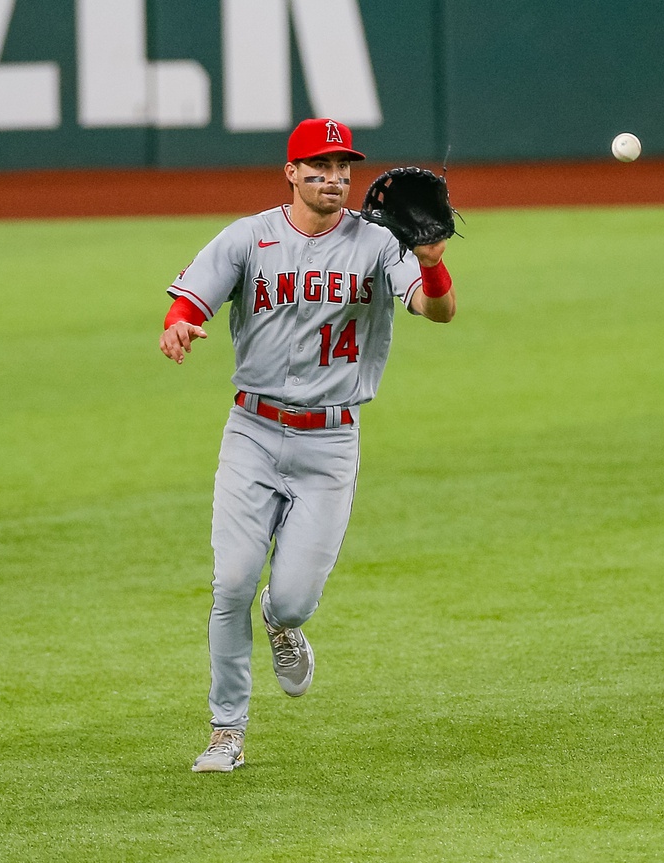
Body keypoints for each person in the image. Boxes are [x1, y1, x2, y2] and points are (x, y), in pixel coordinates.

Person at [159, 117, 457, 773]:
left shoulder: (379, 243)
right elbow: (191, 297)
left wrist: (432, 266)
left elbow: (437, 311)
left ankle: (282, 620)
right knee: (230, 581)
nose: (333, 178)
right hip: (252, 433)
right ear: (290, 172)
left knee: (289, 597)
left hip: (329, 442)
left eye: (342, 168)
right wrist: (179, 326)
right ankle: (225, 731)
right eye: (318, 167)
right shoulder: (249, 237)